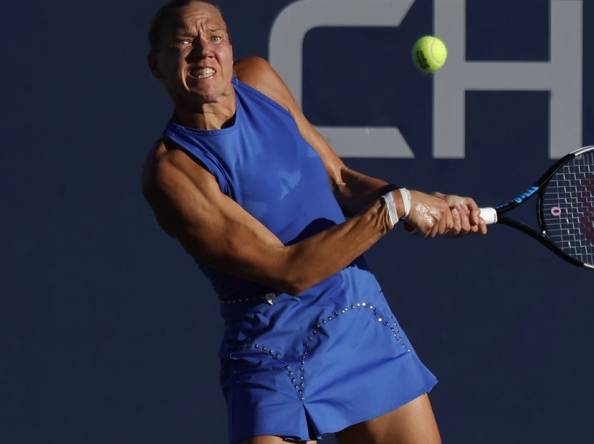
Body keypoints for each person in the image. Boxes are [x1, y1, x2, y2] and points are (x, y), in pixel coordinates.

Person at [141, 1, 486, 443]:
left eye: (216, 37)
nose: (203, 51)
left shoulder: (260, 80)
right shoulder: (173, 172)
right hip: (272, 349)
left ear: (230, 47)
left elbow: (340, 181)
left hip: (357, 320)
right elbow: (290, 271)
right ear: (156, 65)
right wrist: (396, 207)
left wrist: (424, 203)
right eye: (184, 42)